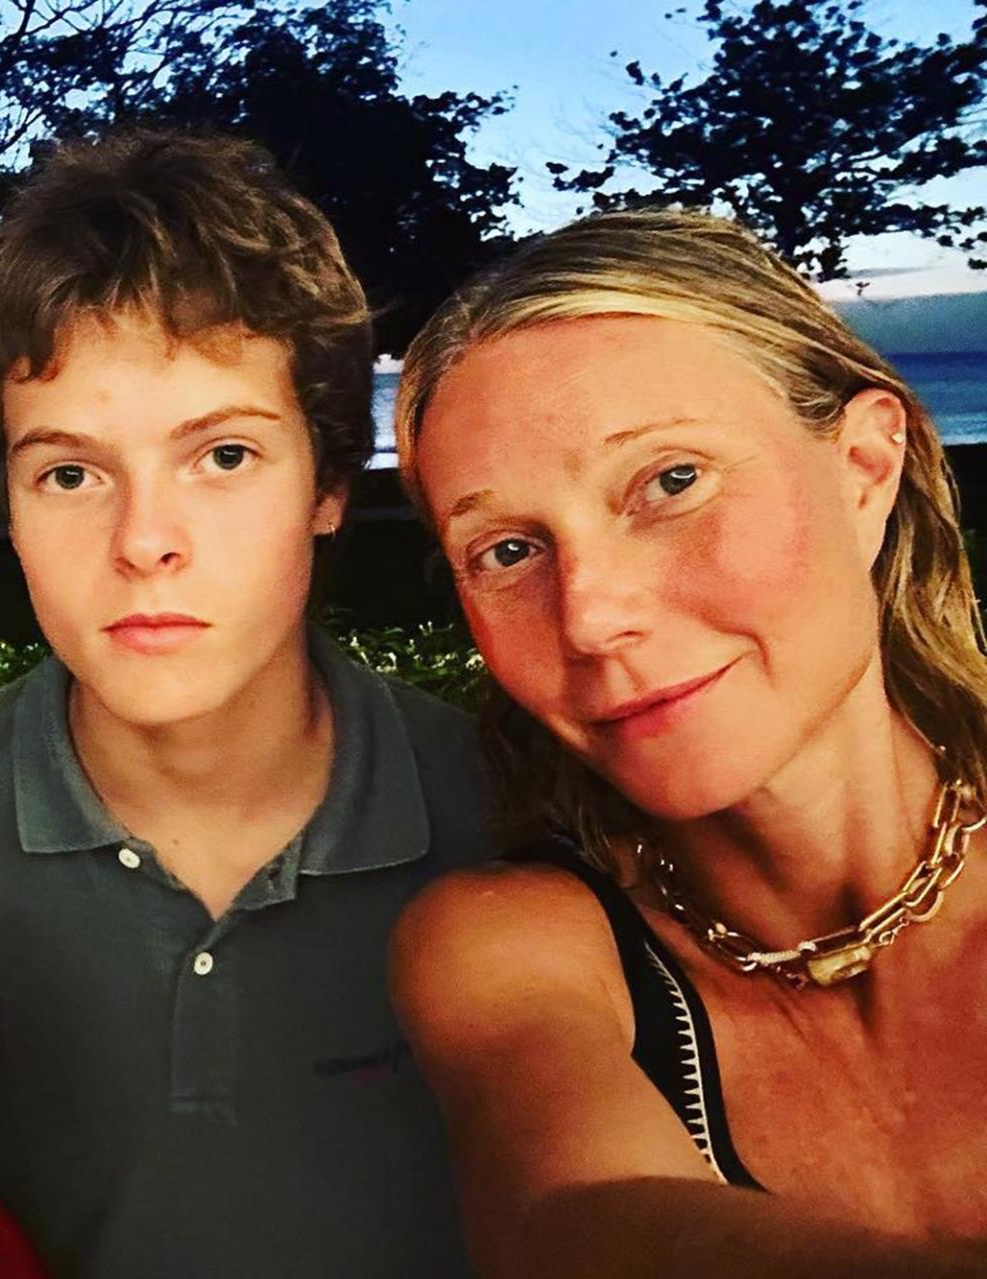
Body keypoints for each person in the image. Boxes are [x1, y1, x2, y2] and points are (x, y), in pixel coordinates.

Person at [0, 131, 494, 1277]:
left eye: (225, 456)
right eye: (71, 473)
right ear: (8, 502)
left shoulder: (511, 820)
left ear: (331, 483)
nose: (144, 541)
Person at [388, 208, 987, 1279]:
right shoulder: (517, 952)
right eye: (510, 549)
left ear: (862, 467)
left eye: (670, 482)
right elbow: (575, 1220)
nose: (590, 616)